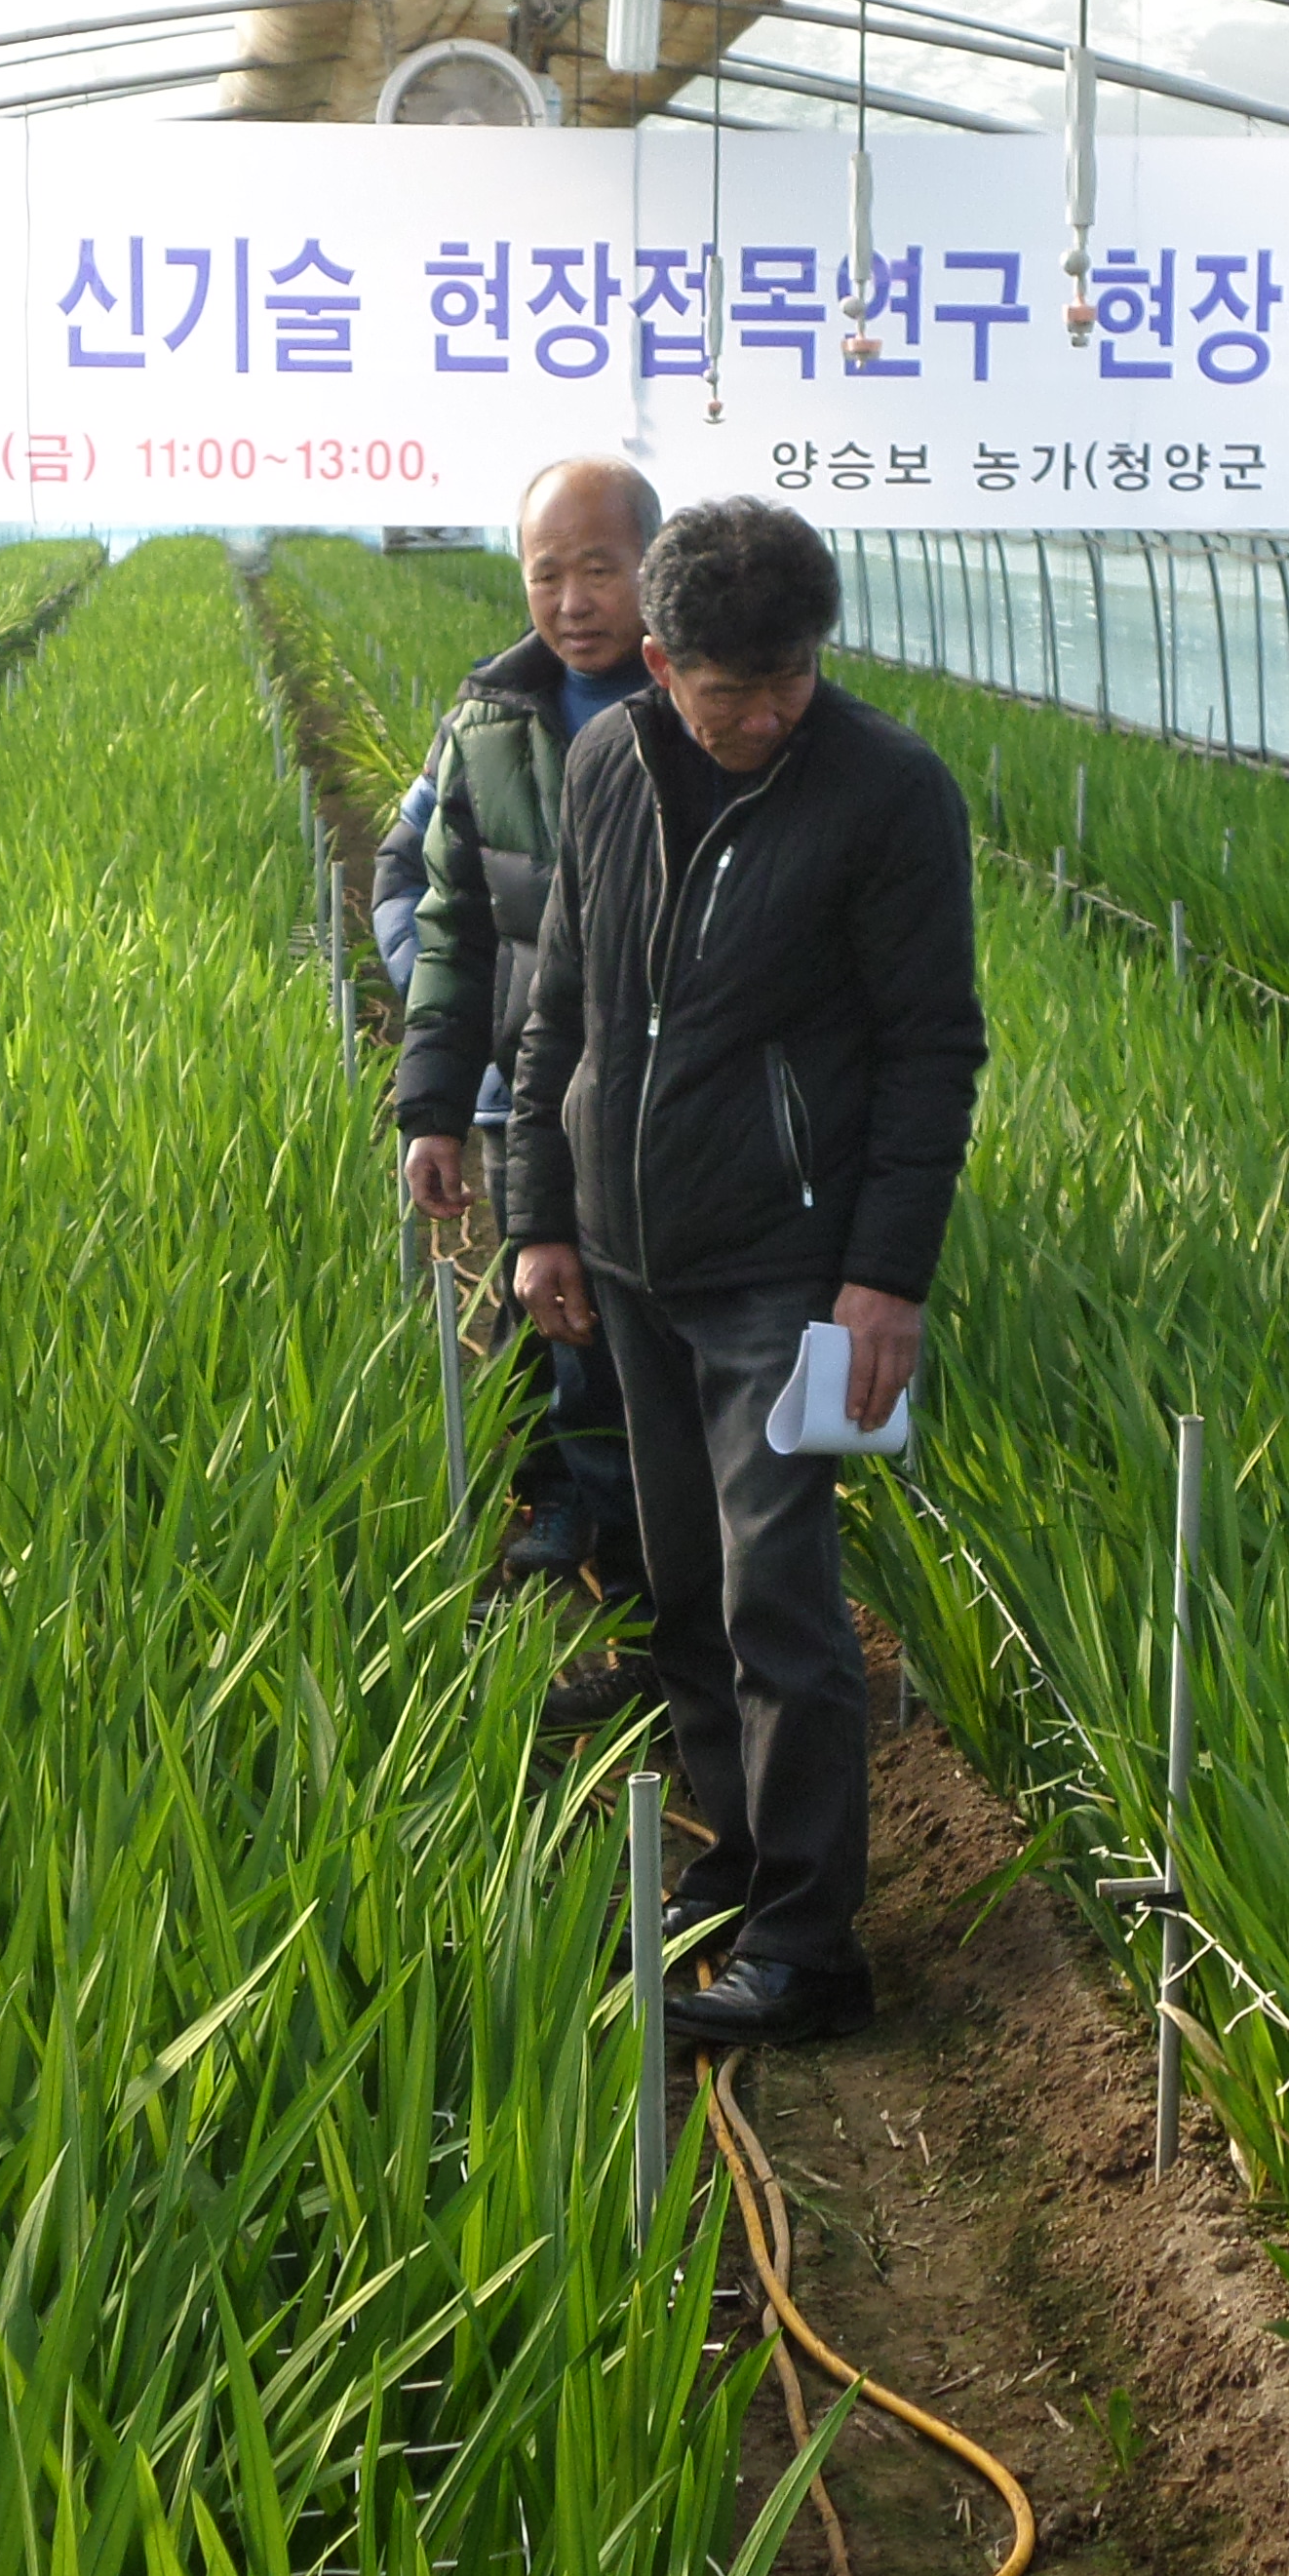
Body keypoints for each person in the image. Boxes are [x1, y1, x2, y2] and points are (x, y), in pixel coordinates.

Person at [508, 500, 985, 2051]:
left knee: (785, 1605)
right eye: (733, 692)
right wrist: (543, 1212)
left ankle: (809, 1952)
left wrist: (884, 1278)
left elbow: (931, 1050)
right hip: (634, 1252)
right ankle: (734, 1857)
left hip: (784, 1271)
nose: (770, 715)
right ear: (662, 664)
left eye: (792, 681)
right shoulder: (601, 764)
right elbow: (566, 994)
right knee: (688, 1585)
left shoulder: (887, 792)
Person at [393, 462, 657, 1616]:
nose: (573, 598)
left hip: (664, 1103)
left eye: (600, 568)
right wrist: (434, 1106)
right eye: (547, 573)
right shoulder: (488, 723)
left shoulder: (702, 709)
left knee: (642, 1339)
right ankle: (569, 1504)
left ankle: (652, 1575)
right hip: (530, 1093)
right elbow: (450, 926)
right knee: (553, 1308)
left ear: (655, 562)